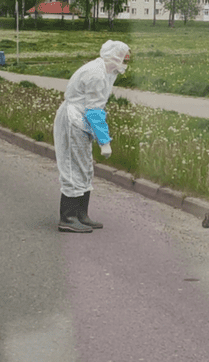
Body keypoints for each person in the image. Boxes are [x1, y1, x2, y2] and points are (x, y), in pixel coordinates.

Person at [53, 40, 131, 233]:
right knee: (74, 167)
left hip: (82, 119)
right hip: (74, 119)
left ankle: (81, 215)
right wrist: (104, 141)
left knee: (85, 167)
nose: (125, 63)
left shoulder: (105, 70)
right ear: (114, 56)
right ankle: (68, 218)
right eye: (124, 59)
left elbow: (96, 108)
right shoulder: (96, 73)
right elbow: (94, 110)